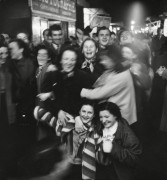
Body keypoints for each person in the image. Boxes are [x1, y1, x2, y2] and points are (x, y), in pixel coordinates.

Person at [82, 102, 142, 180]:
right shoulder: (100, 123)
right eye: (101, 117)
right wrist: (78, 120)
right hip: (98, 167)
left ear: (116, 116)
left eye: (107, 117)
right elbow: (88, 118)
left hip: (116, 172)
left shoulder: (127, 134)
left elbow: (135, 158)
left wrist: (113, 148)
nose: (103, 120)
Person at [80, 45, 137, 125]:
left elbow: (100, 93)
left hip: (121, 118)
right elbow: (99, 84)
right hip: (116, 115)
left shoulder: (121, 75)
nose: (102, 62)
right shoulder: (115, 70)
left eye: (105, 59)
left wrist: (81, 91)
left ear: (114, 59)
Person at [56, 100, 95, 180]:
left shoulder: (95, 131)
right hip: (66, 165)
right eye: (83, 111)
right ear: (79, 112)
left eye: (89, 112)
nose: (86, 115)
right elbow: (41, 113)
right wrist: (60, 112)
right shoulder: (71, 122)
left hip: (83, 169)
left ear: (94, 115)